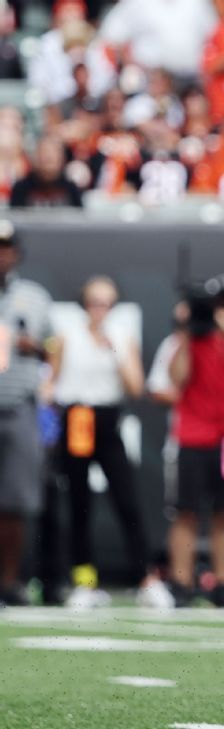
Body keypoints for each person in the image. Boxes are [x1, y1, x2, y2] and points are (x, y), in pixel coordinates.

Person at [49, 275, 173, 609]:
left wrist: (113, 349)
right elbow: (52, 382)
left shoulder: (120, 336)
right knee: (78, 502)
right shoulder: (67, 335)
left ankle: (146, 578)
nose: (100, 310)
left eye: (106, 303)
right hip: (76, 418)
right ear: (84, 304)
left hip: (107, 418)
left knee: (127, 500)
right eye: (94, 302)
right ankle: (84, 581)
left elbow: (135, 387)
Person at [166, 278, 224, 607]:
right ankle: (181, 583)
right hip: (193, 435)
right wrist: (185, 332)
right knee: (186, 512)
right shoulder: (190, 340)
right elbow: (176, 378)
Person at [0, 222, 52, 606]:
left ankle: (9, 581)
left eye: (6, 248)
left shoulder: (34, 297)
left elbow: (55, 349)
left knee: (16, 502)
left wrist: (33, 346)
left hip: (18, 404)